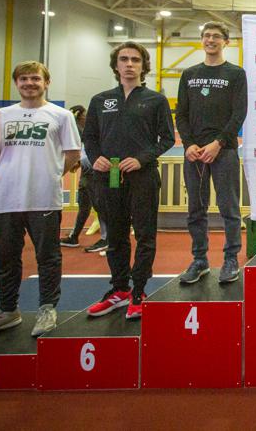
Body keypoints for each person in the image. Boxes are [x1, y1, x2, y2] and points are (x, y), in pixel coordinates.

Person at [0, 61, 81, 341]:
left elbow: (73, 154)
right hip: (4, 199)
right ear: (17, 83)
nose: (30, 83)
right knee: (5, 259)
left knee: (48, 258)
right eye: (24, 79)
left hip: (44, 199)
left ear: (46, 82)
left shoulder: (61, 115)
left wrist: (52, 175)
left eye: (35, 79)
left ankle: (48, 308)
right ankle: (7, 310)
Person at [84, 42, 175, 320]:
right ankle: (120, 289)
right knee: (116, 236)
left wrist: (142, 158)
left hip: (143, 176)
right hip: (109, 176)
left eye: (135, 59)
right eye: (124, 59)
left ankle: (139, 292)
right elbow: (90, 137)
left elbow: (167, 139)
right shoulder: (100, 100)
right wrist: (96, 156)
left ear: (143, 65)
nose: (129, 64)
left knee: (145, 235)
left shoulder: (155, 100)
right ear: (116, 65)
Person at [175, 22, 248, 284]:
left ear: (226, 42)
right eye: (206, 36)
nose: (211, 40)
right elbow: (181, 114)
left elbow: (239, 113)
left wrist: (218, 143)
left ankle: (230, 260)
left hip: (224, 151)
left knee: (229, 208)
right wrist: (188, 145)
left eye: (216, 36)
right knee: (196, 209)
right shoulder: (189, 74)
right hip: (194, 153)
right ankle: (200, 260)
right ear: (202, 40)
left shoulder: (236, 74)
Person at [60, 105, 108, 254]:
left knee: (100, 205)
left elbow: (99, 151)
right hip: (87, 172)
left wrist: (81, 162)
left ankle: (107, 238)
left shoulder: (96, 128)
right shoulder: (78, 130)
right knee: (84, 205)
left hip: (97, 172)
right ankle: (74, 236)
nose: (85, 118)